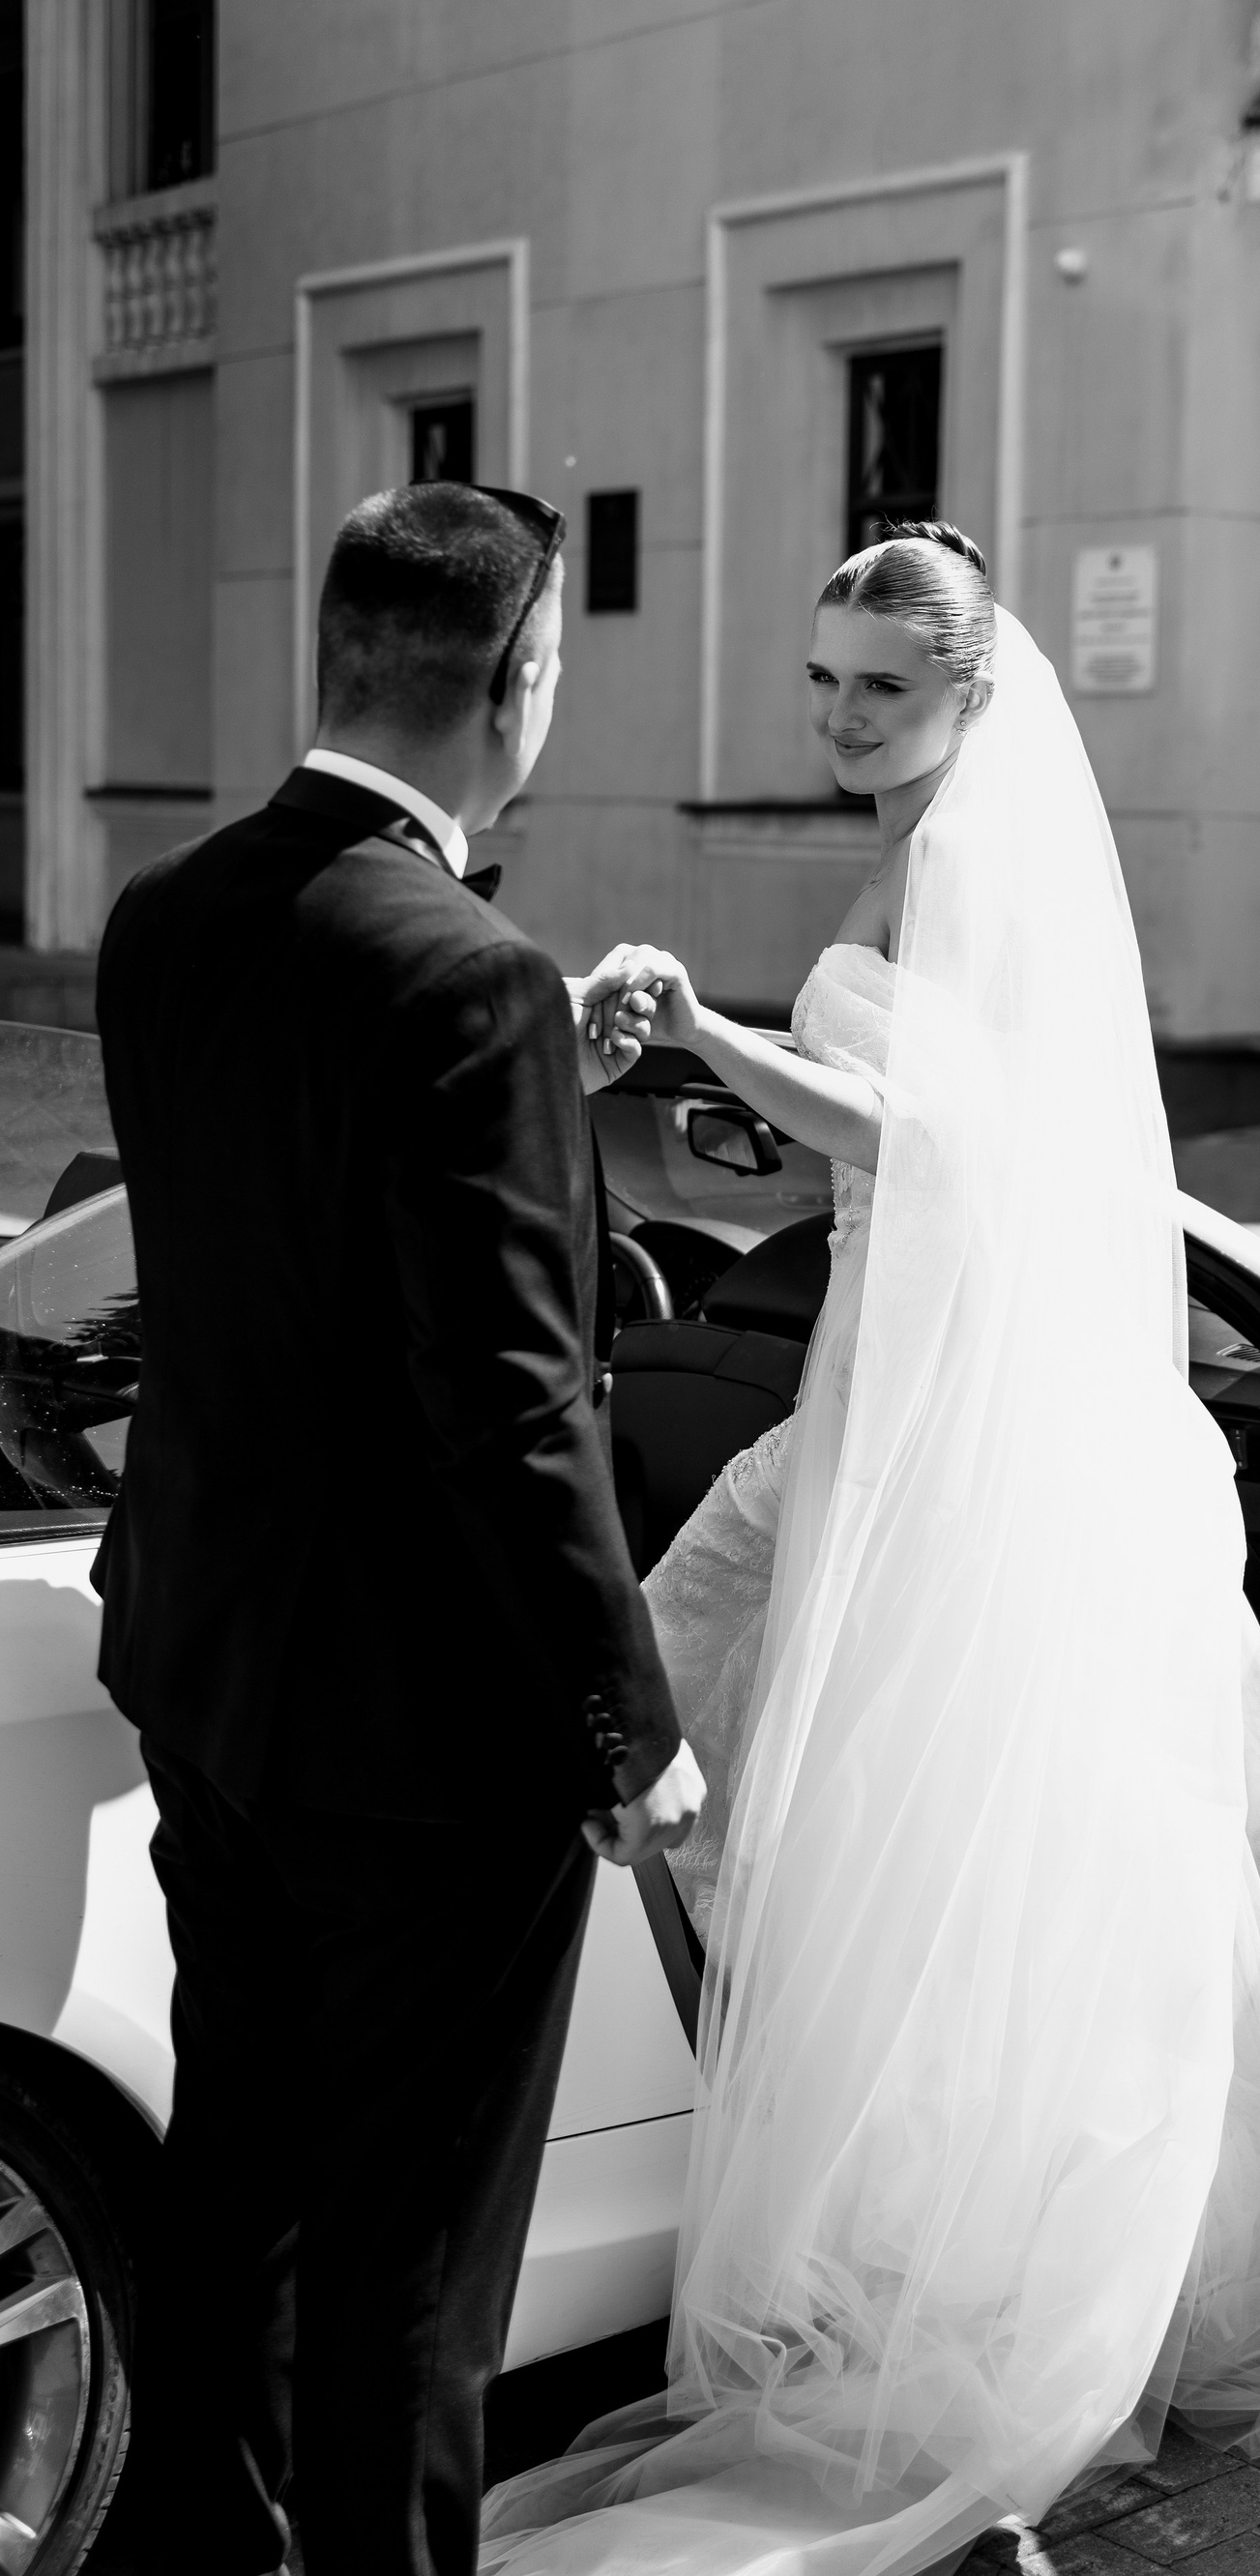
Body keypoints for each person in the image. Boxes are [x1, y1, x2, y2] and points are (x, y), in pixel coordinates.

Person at [479, 524, 1260, 2576]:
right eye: (823, 680)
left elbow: (920, 1138)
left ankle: (960, 2252)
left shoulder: (961, 867)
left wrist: (705, 1036)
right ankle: (876, 2216)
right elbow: (921, 1140)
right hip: (890, 1380)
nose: (842, 718)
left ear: (972, 695)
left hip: (938, 1418)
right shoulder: (935, 853)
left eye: (883, 688)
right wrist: (730, 1066)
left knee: (919, 1832)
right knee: (840, 1792)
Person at [94, 481, 704, 2576]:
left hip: (210, 1674)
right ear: (516, 680)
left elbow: (275, 1227)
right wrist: (630, 1729)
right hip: (425, 1751)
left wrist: (542, 1082)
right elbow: (514, 1413)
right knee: (414, 2276)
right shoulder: (469, 975)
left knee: (239, 2191)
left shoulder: (164, 914)